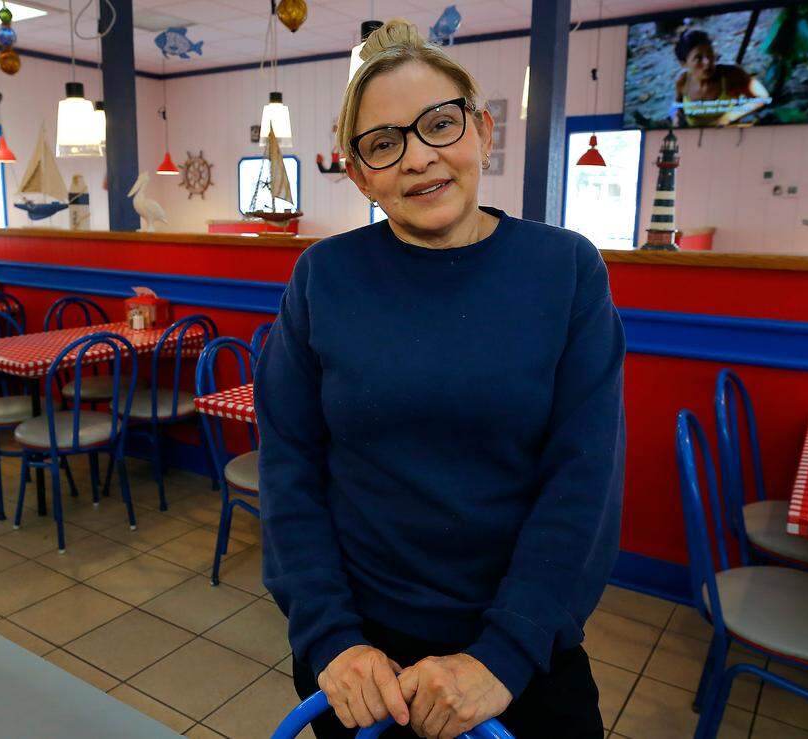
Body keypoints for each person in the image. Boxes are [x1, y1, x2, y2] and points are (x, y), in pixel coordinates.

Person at [256, 19, 625, 739]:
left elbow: (585, 481)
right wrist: (330, 636)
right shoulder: (321, 278)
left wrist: (504, 653)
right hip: (361, 664)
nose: (419, 158)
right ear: (359, 172)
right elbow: (289, 468)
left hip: (520, 652)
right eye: (385, 143)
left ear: (483, 131)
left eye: (440, 125)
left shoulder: (566, 269)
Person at [673, 29, 769, 127]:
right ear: (684, 64)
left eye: (710, 53)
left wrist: (728, 118)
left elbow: (763, 97)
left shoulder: (730, 74)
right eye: (698, 58)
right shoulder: (683, 81)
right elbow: (677, 106)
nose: (707, 62)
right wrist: (676, 118)